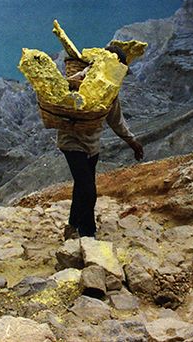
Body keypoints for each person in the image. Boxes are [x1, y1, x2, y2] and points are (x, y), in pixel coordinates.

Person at [58, 45, 144, 240]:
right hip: (71, 142)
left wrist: (132, 141)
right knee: (88, 189)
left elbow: (116, 119)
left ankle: (72, 227)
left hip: (92, 146)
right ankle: (88, 234)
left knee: (82, 187)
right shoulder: (82, 79)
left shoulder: (110, 91)